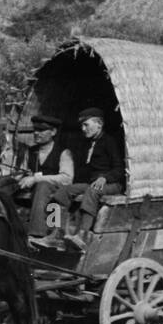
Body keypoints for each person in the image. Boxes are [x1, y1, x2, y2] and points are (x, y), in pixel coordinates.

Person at [46, 107, 126, 251]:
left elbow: (120, 169)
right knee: (63, 192)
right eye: (82, 125)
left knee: (92, 190)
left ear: (99, 124)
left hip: (112, 184)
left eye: (86, 125)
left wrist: (105, 178)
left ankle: (82, 235)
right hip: (92, 184)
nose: (83, 129)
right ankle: (55, 232)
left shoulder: (109, 142)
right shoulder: (87, 143)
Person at [0, 115, 76, 249]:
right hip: (33, 189)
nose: (36, 133)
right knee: (4, 183)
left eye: (41, 130)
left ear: (53, 132)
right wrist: (20, 176)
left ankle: (37, 235)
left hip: (54, 190)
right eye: (35, 130)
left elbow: (67, 178)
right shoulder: (31, 151)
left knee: (43, 185)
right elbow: (23, 170)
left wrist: (36, 178)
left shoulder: (63, 152)